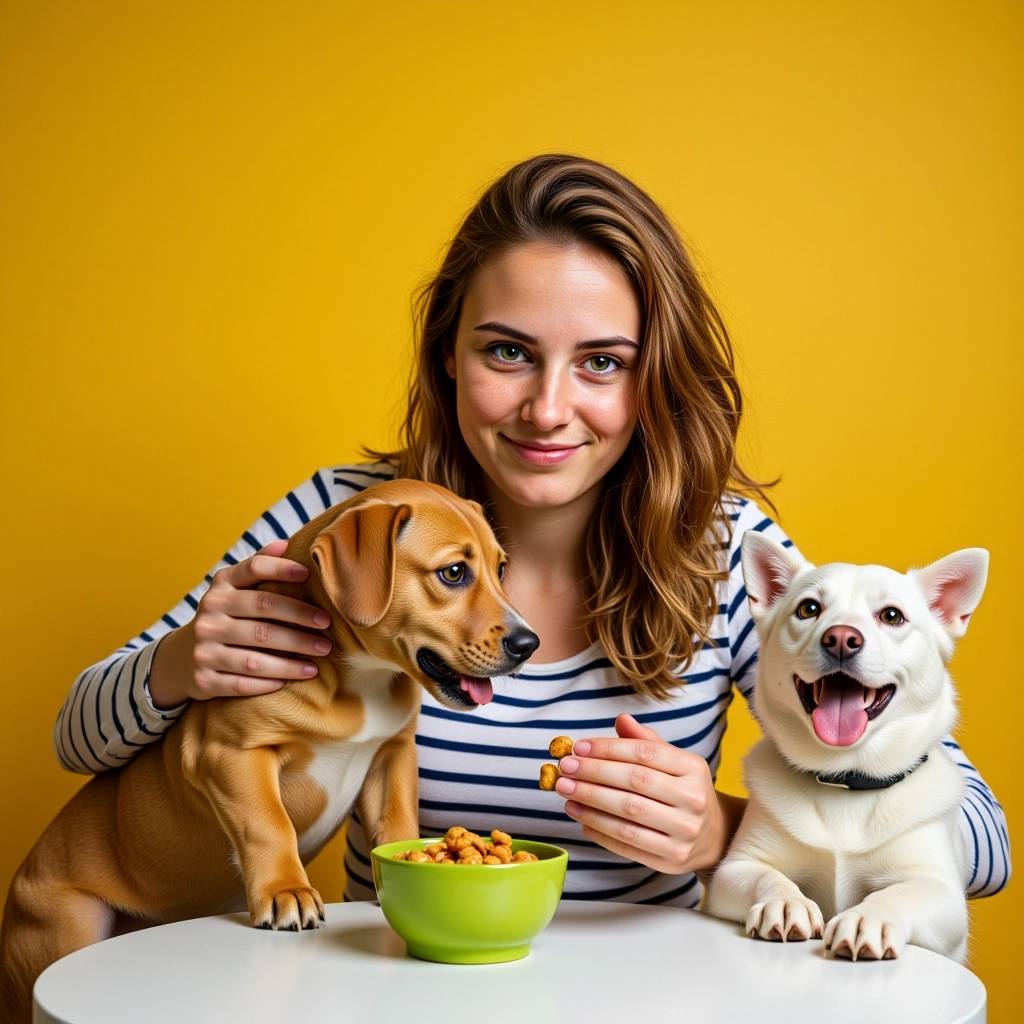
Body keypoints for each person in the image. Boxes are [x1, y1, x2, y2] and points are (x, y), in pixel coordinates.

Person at [54, 154, 1009, 905]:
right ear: (448, 354)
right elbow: (76, 735)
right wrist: (180, 663)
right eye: (508, 352)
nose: (548, 410)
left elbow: (984, 843)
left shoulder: (723, 550)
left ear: (653, 375)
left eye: (602, 362)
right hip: (390, 993)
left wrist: (729, 833)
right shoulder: (346, 524)